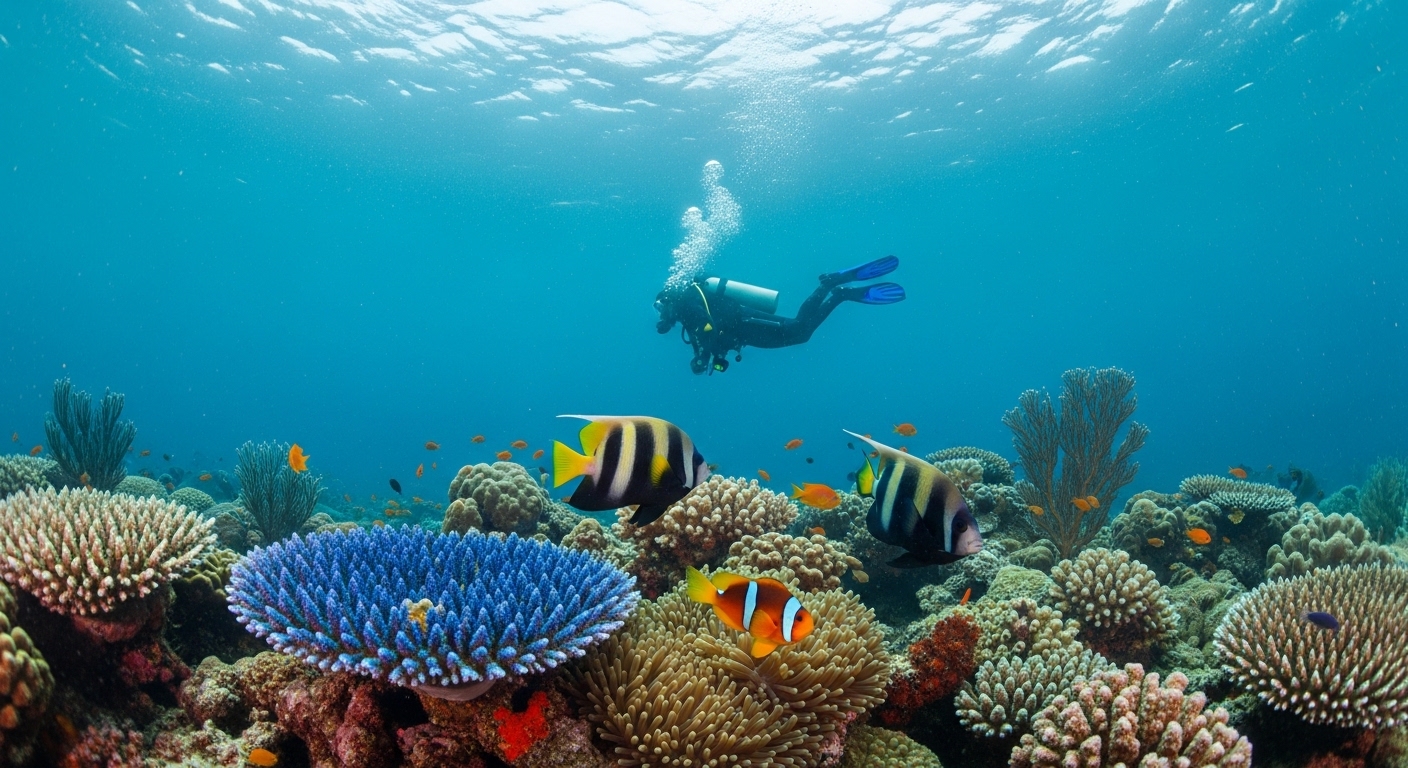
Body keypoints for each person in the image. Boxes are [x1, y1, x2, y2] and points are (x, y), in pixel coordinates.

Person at [655, 256, 905, 374]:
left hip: (745, 321)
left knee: (798, 328)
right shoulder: (685, 313)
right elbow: (706, 333)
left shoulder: (686, 302)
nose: (661, 315)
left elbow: (707, 325)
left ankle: (831, 287)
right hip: (745, 333)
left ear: (667, 300)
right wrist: (703, 358)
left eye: (659, 308)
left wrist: (703, 354)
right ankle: (838, 293)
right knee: (801, 334)